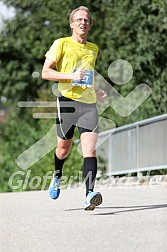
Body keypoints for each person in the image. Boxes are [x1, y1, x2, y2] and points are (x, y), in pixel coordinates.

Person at [42, 6, 107, 210]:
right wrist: (71, 76)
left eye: (86, 20)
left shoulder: (93, 48)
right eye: (78, 20)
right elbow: (46, 72)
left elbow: (87, 76)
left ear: (90, 25)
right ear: (71, 23)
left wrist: (95, 92)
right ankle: (57, 176)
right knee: (63, 149)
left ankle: (89, 194)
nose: (83, 23)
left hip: (88, 105)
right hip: (67, 102)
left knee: (89, 149)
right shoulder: (61, 44)